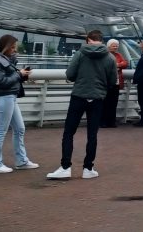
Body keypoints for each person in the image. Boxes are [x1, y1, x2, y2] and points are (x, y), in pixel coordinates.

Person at [47, 30, 117, 180]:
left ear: (88, 40)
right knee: (92, 135)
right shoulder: (110, 57)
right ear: (102, 40)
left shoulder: (80, 54)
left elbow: (70, 74)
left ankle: (65, 167)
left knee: (69, 132)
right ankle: (88, 168)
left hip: (79, 96)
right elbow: (112, 81)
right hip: (97, 98)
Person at [0, 34, 38, 173]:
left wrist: (21, 75)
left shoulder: (4, 61)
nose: (15, 50)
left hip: (9, 97)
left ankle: (21, 160)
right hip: (4, 97)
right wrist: (19, 75)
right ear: (5, 48)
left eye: (15, 47)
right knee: (1, 130)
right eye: (12, 47)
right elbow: (2, 82)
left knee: (19, 129)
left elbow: (8, 79)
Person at [100, 39, 128, 128]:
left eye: (116, 45)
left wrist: (117, 65)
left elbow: (125, 63)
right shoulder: (104, 55)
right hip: (106, 82)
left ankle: (111, 121)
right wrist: (117, 65)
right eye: (113, 45)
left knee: (113, 103)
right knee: (105, 103)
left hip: (116, 83)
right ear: (108, 46)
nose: (115, 47)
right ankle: (103, 122)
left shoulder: (118, 54)